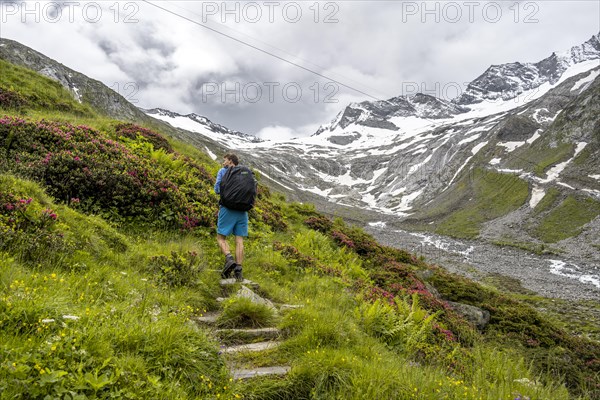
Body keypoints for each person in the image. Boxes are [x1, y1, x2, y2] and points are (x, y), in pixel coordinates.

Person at [214, 153, 248, 280]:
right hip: (243, 211)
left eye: (225, 160)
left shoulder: (223, 172)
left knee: (221, 238)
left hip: (227, 209)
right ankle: (238, 272)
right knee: (239, 241)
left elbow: (217, 189)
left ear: (230, 161)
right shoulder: (245, 173)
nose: (223, 163)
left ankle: (229, 259)